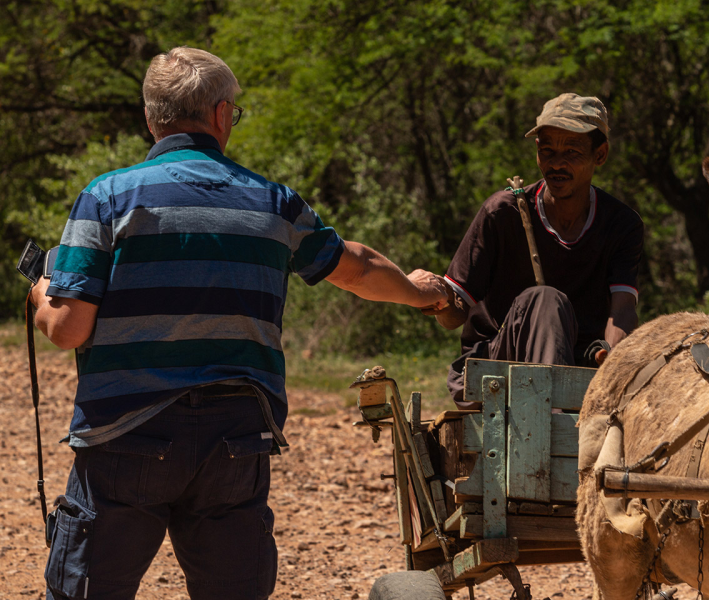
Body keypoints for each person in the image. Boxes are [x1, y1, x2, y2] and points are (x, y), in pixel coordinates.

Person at [28, 47, 447, 600]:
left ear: (152, 118)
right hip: (236, 436)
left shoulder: (106, 197)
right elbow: (357, 267)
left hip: (125, 436)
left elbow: (68, 330)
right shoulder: (274, 203)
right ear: (222, 116)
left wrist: (41, 293)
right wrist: (421, 294)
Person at [424, 93, 643, 407]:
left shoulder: (621, 224)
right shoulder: (502, 213)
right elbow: (454, 315)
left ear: (600, 155)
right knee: (544, 301)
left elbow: (622, 310)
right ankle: (549, 421)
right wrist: (436, 300)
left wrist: (610, 357)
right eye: (547, 150)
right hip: (494, 370)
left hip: (580, 372)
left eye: (571, 151)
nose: (556, 163)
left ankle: (561, 402)